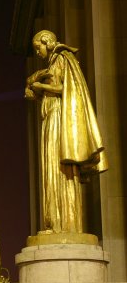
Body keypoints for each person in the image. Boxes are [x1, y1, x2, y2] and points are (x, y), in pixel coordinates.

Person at [25, 30, 107, 234]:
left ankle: (63, 224)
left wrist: (39, 85)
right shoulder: (54, 63)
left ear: (48, 42)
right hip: (51, 118)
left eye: (38, 47)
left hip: (58, 119)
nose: (37, 52)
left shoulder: (62, 57)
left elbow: (65, 89)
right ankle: (55, 222)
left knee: (58, 168)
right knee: (52, 169)